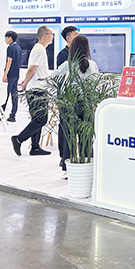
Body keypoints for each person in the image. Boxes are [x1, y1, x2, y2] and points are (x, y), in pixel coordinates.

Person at [52, 35, 99, 178]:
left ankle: (68, 168)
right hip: (86, 103)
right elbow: (96, 84)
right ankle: (87, 165)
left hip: (69, 103)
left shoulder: (67, 65)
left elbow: (53, 77)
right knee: (86, 135)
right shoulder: (92, 65)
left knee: (69, 137)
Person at [11, 26, 54, 156]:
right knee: (41, 119)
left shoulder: (39, 49)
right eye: (51, 34)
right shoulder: (39, 49)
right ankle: (19, 139)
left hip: (38, 89)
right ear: (44, 35)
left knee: (37, 119)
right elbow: (32, 68)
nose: (52, 36)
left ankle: (35, 147)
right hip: (37, 90)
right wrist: (24, 82)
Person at [2, 31, 22, 122]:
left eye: (6, 38)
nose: (5, 40)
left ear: (10, 38)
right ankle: (13, 115)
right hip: (16, 74)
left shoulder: (10, 48)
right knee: (14, 95)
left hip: (10, 75)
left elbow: (9, 62)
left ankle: (0, 114)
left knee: (5, 94)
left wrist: (5, 74)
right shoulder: (18, 48)